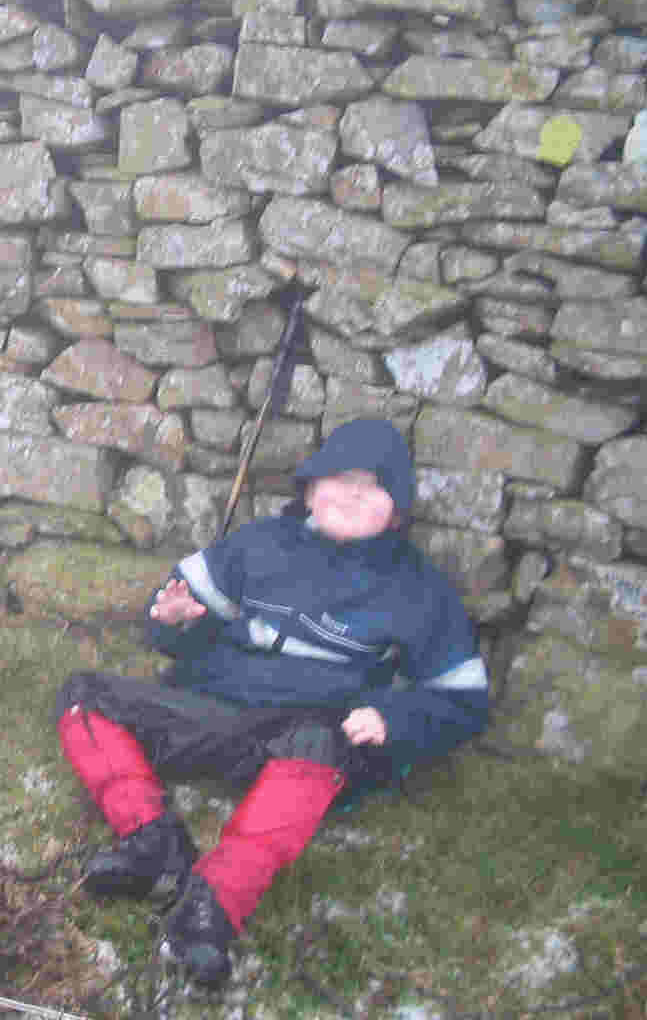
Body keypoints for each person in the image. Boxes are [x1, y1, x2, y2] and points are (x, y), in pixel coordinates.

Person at [55, 416, 489, 986]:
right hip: (213, 712)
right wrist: (175, 621)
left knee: (319, 743)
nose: (353, 493)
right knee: (84, 696)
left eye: (374, 485)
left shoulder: (419, 592)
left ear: (399, 511)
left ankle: (209, 909)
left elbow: (463, 701)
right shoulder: (258, 544)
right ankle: (152, 844)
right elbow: (171, 611)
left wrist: (396, 717)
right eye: (339, 477)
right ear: (310, 488)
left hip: (305, 744)